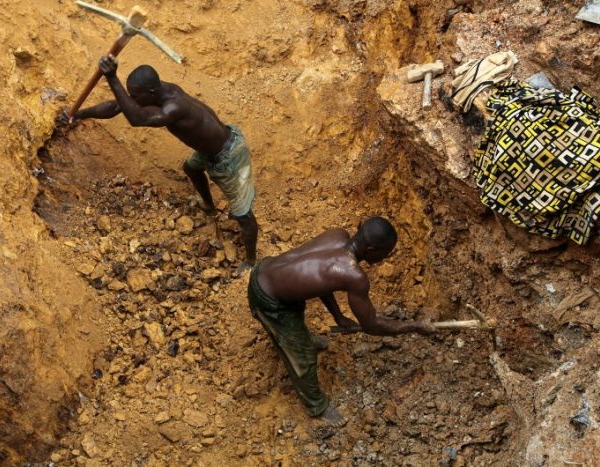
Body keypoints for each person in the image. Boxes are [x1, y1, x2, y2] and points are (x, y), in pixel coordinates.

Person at [59, 55, 258, 269]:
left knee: (243, 215)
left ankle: (251, 261)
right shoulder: (160, 91)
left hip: (229, 156)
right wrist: (78, 115)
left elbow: (137, 119)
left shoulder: (174, 107)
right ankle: (209, 206)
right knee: (191, 169)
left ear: (151, 92)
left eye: (136, 95)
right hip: (210, 150)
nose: (132, 98)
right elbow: (117, 106)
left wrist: (112, 78)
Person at [247, 217, 436, 426]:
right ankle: (316, 406)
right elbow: (371, 325)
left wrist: (338, 316)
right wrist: (415, 326)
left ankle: (303, 337)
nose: (383, 259)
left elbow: (321, 279)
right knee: (303, 356)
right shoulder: (354, 275)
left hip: (267, 270)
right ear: (371, 250)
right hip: (268, 300)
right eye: (384, 254)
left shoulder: (337, 235)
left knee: (295, 310)